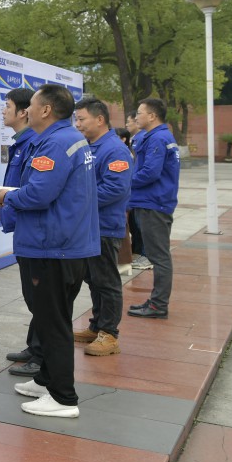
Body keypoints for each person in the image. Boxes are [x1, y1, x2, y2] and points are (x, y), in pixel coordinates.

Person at [0, 85, 98, 418]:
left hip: (52, 248)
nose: (27, 111)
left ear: (46, 110)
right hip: (65, 245)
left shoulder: (55, 143)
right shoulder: (68, 139)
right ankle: (46, 381)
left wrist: (7, 197)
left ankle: (63, 398)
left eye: (32, 105)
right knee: (55, 317)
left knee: (52, 323)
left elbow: (38, 194)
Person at [73, 99, 133, 355]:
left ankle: (109, 334)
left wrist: (78, 200)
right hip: (90, 227)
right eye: (76, 119)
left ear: (100, 120)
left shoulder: (115, 149)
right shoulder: (90, 147)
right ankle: (97, 326)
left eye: (81, 119)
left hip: (105, 227)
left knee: (107, 281)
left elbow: (115, 189)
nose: (78, 124)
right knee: (94, 279)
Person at [0, 88, 41, 376]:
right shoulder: (22, 143)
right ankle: (35, 346)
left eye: (8, 105)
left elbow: (35, 191)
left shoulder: (34, 144)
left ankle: (42, 355)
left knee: (39, 297)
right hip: (23, 226)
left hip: (34, 231)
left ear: (24, 112)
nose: (3, 110)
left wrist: (9, 198)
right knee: (33, 295)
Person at [127, 98, 181, 318]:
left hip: (154, 203)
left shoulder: (157, 138)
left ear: (152, 116)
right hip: (152, 201)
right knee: (157, 255)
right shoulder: (158, 136)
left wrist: (125, 181)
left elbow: (150, 172)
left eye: (139, 113)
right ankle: (157, 301)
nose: (136, 117)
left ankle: (159, 305)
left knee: (158, 257)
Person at [125, 112, 150, 270]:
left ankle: (145, 255)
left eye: (129, 122)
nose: (127, 125)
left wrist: (130, 180)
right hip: (136, 190)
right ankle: (139, 253)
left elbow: (147, 169)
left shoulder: (142, 138)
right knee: (136, 226)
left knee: (142, 227)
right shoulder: (137, 138)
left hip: (141, 191)